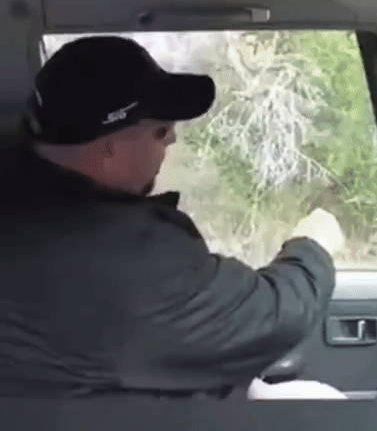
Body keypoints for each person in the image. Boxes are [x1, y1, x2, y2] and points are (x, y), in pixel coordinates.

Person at [0, 35, 347, 400]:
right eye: (161, 129)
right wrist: (312, 247)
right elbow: (271, 319)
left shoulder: (25, 209)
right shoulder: (120, 261)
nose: (172, 140)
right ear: (109, 147)